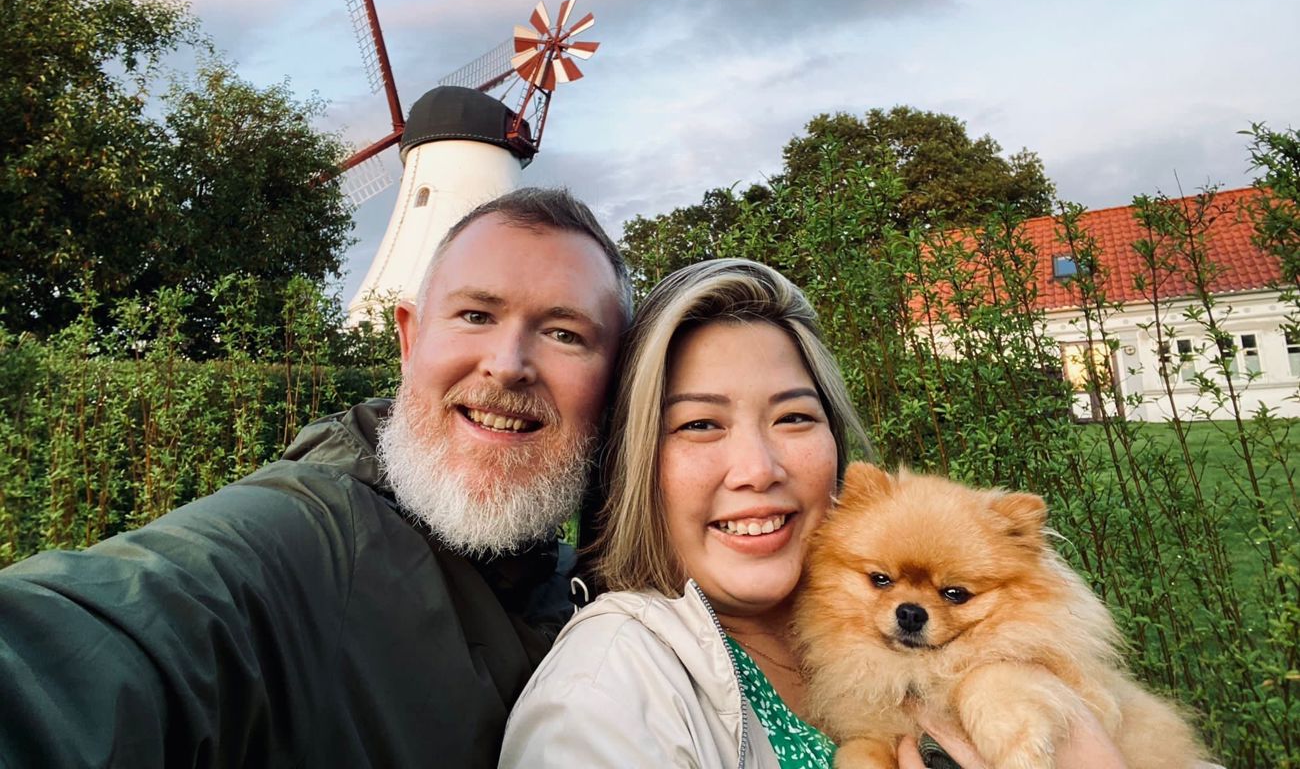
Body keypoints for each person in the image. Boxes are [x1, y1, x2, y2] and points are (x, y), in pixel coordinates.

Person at [0, 187, 632, 768]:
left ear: (620, 383)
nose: (507, 364)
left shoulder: (595, 582)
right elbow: (105, 637)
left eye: (564, 333)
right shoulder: (294, 539)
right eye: (475, 315)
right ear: (410, 340)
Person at [499, 258, 1133, 769]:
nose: (758, 468)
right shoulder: (603, 700)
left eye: (794, 416)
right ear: (634, 462)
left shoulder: (853, 618)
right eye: (699, 424)